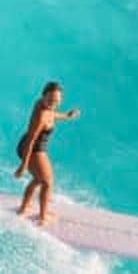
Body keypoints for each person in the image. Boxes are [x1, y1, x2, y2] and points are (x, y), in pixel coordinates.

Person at [14, 81, 80, 225]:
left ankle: (23, 208)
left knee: (39, 178)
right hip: (32, 147)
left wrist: (68, 116)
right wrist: (23, 166)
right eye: (50, 99)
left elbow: (53, 114)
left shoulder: (42, 104)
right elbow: (31, 140)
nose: (53, 103)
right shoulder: (41, 116)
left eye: (56, 100)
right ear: (43, 96)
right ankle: (43, 217)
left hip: (34, 145)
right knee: (47, 181)